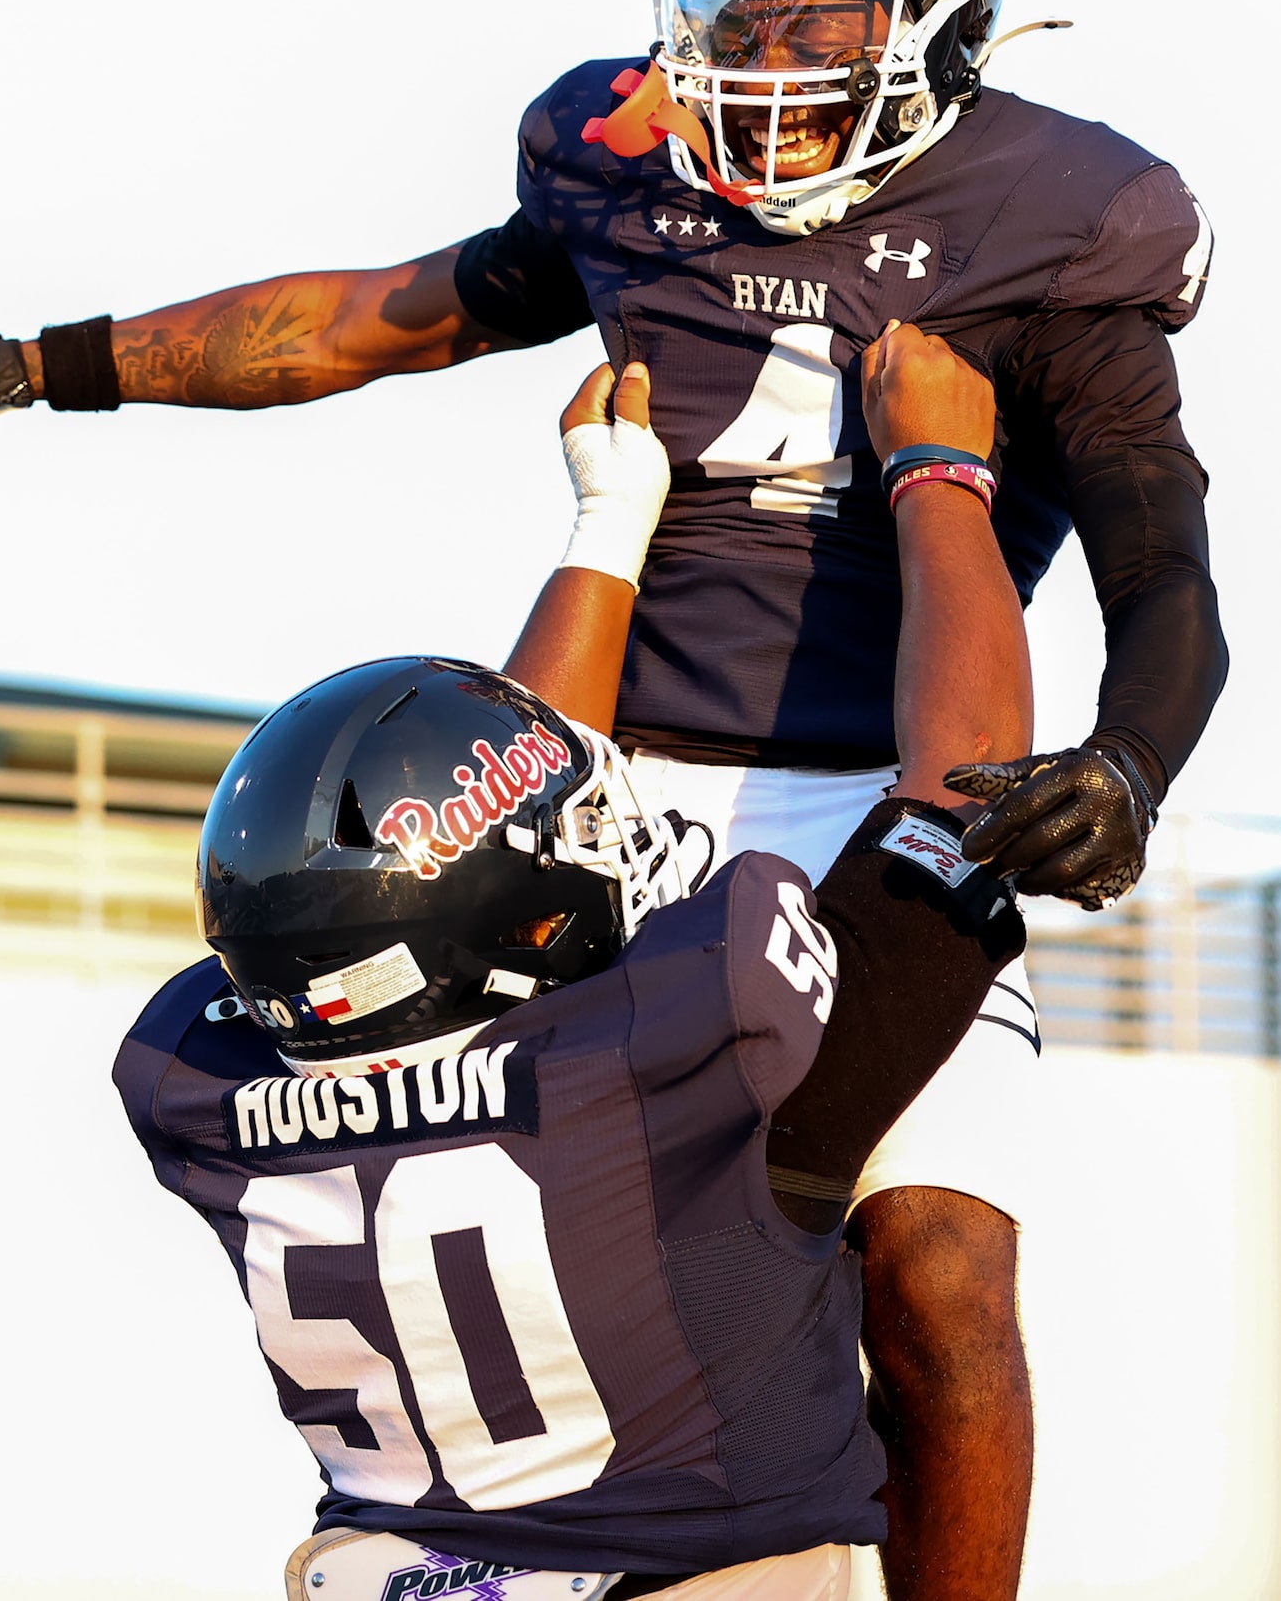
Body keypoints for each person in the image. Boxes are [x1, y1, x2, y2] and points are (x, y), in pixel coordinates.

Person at [0, 0, 1227, 1597]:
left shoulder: (1066, 215)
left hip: (892, 780)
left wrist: (1128, 762)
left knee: (938, 1273)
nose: (751, 51)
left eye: (807, 10)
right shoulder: (622, 159)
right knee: (489, 1208)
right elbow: (361, 322)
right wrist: (37, 361)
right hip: (603, 784)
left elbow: (1160, 560)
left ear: (939, 12)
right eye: (727, 0)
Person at [115, 326, 1032, 1598]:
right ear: (512, 929)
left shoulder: (209, 1090)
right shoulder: (680, 1087)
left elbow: (472, 895)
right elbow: (961, 786)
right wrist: (938, 469)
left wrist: (610, 526)